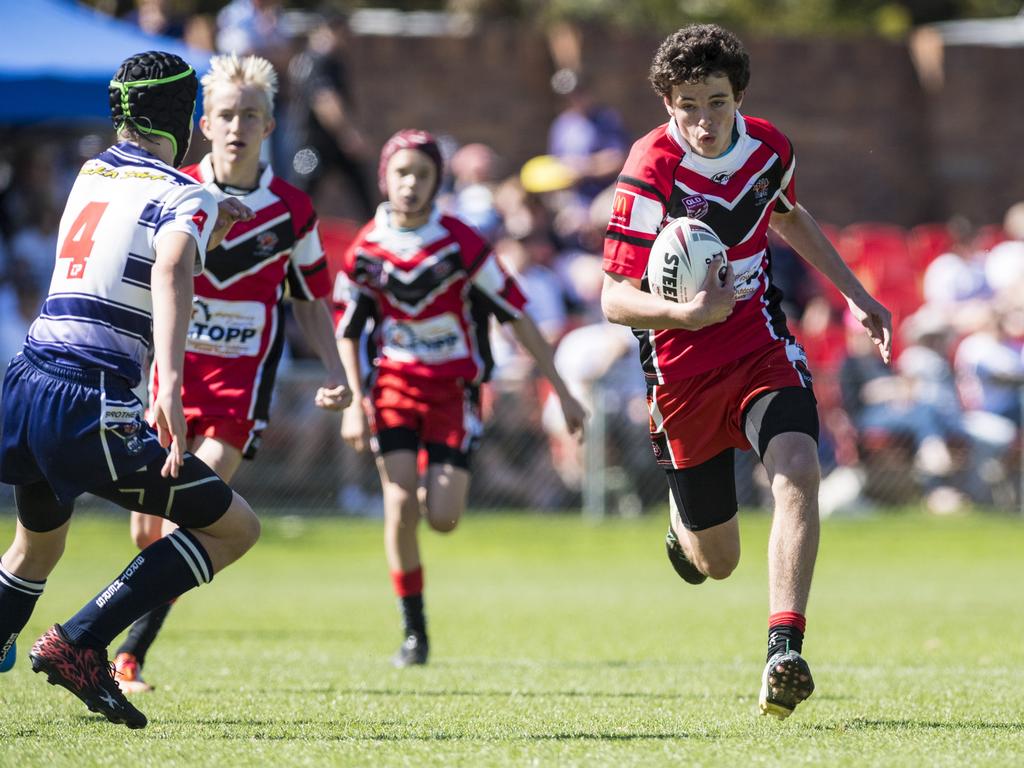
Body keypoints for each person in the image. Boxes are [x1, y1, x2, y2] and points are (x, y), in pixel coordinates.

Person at [599, 25, 892, 719]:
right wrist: (686, 315)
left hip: (759, 340)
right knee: (715, 562)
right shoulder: (649, 166)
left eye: (717, 102)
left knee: (797, 462)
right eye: (688, 104)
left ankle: (783, 650)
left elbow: (788, 216)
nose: (703, 121)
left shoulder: (770, 148)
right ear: (667, 103)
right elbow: (613, 297)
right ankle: (683, 525)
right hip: (679, 365)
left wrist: (858, 294)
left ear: (740, 97)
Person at [0, 51, 260, 728]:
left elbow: (129, 240)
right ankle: (81, 642)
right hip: (88, 401)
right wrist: (168, 384)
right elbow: (171, 263)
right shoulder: (185, 192)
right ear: (186, 117)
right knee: (235, 528)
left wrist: (204, 222)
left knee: (38, 545)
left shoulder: (91, 171)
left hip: (24, 384)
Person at [110, 53, 352, 694]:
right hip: (165, 387)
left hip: (237, 397)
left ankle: (125, 654)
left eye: (250, 114)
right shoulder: (174, 190)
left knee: (186, 511)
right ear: (204, 124)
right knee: (147, 529)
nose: (237, 125)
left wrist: (336, 369)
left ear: (270, 125)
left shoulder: (294, 211)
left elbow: (310, 297)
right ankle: (111, 641)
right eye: (225, 114)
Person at [335, 129, 587, 667]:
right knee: (399, 502)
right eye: (401, 172)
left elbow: (517, 314)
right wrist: (356, 400)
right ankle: (413, 630)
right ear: (385, 177)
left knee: (443, 517)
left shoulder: (463, 244)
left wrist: (562, 390)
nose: (410, 183)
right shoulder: (366, 248)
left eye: (422, 174)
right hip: (394, 389)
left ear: (437, 181)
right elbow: (348, 327)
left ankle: (430, 488)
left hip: (455, 394)